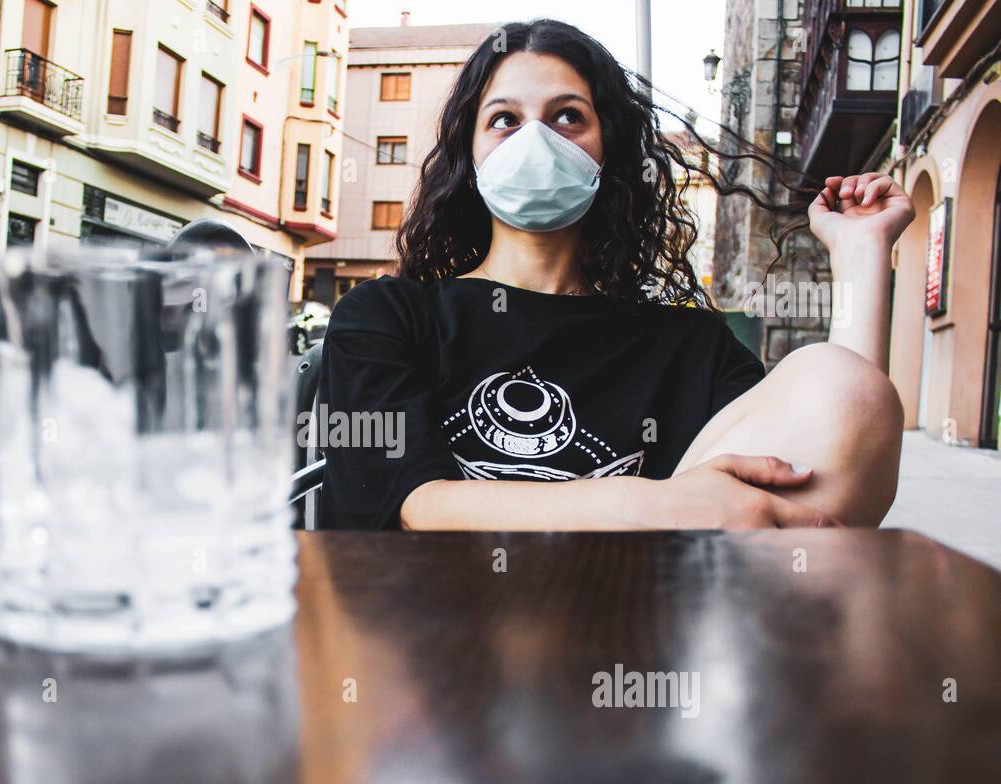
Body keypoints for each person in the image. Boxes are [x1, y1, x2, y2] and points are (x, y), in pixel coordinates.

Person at [317, 18, 912, 531]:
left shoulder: (690, 348)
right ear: (468, 158)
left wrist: (862, 252)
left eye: (568, 116)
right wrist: (652, 504)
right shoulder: (386, 315)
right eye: (503, 120)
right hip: (433, 639)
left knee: (842, 381)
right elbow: (410, 502)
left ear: (612, 152)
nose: (535, 140)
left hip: (638, 635)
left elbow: (841, 440)